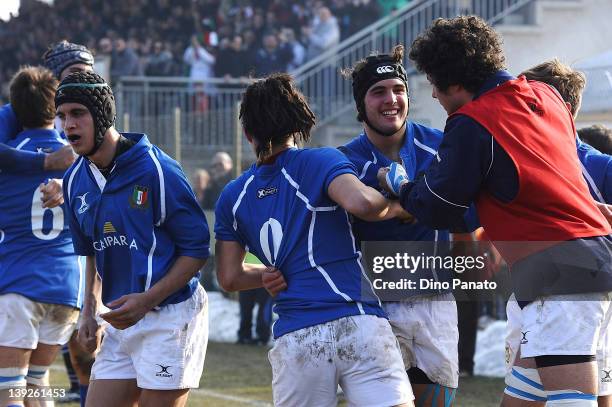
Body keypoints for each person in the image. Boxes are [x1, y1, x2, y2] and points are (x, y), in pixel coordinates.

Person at [381, 16, 612, 406]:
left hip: (556, 271)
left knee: (572, 400)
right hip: (583, 260)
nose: (433, 95)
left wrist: (401, 186)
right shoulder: (546, 95)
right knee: (523, 396)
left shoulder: (473, 121)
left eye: (434, 83)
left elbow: (441, 206)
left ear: (454, 81)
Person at [215, 73, 414, 407]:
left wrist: (263, 276)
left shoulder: (233, 195)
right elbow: (362, 204)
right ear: (299, 123)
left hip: (298, 335)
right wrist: (396, 206)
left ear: (248, 134)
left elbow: (229, 278)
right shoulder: (321, 160)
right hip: (358, 321)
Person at [58, 71, 210, 407]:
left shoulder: (157, 170)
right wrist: (89, 310)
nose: (68, 125)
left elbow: (197, 251)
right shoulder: (72, 182)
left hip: (171, 315)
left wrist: (146, 300)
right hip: (121, 322)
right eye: (63, 115)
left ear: (102, 116)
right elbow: (91, 253)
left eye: (78, 113)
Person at [339, 44, 477, 406]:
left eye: (398, 89)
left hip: (435, 303)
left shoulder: (441, 145)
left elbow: (467, 218)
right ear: (360, 104)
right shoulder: (342, 163)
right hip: (373, 308)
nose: (391, 99)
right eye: (378, 92)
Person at [499, 59, 612, 407]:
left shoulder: (595, 165)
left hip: (572, 293)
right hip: (538, 290)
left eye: (528, 101)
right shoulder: (518, 157)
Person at [0, 66, 81, 407]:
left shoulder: (10, 156)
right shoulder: (77, 156)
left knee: (10, 389)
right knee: (36, 382)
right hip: (66, 287)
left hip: (20, 284)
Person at [0, 40, 94, 175]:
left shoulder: (94, 117)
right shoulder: (19, 109)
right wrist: (47, 161)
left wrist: (63, 186)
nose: (84, 79)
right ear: (55, 76)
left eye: (89, 74)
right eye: (75, 72)